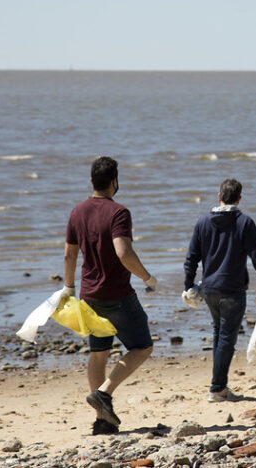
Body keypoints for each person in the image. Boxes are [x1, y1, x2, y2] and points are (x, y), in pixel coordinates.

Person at [62, 156, 158, 435]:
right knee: (143, 347)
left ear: (91, 181)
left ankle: (103, 420)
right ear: (115, 182)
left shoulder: (77, 212)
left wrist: (68, 287)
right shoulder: (119, 212)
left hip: (88, 296)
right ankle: (105, 393)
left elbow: (69, 254)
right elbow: (123, 252)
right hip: (117, 295)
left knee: (98, 353)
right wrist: (147, 277)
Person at [183, 178, 256, 402]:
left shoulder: (203, 222)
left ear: (219, 196)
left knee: (219, 334)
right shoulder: (244, 222)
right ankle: (217, 388)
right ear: (239, 198)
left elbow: (191, 259)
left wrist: (188, 286)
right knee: (225, 337)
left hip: (210, 290)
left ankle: (218, 385)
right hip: (232, 290)